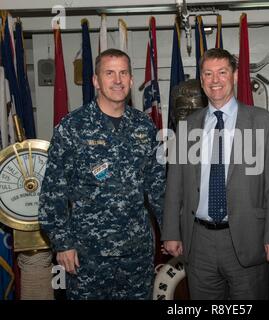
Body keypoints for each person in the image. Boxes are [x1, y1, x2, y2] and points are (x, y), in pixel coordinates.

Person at [38, 49, 165, 300]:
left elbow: (158, 187)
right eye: (109, 73)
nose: (117, 80)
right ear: (96, 81)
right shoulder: (72, 127)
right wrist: (63, 244)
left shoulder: (145, 127)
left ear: (131, 80)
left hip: (136, 253)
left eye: (123, 73)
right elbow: (53, 194)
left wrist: (171, 232)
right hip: (88, 255)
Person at [162, 48, 269, 299]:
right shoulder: (187, 127)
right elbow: (174, 184)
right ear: (201, 80)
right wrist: (171, 231)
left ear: (234, 76)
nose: (215, 80)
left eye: (222, 72)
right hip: (199, 242)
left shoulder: (263, 122)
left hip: (247, 238)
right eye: (208, 73)